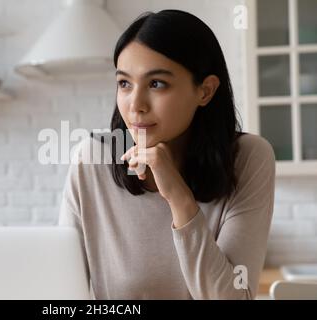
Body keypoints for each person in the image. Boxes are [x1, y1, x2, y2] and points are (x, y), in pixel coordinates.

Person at [58, 9, 275, 300]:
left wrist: (179, 198)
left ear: (206, 91)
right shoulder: (91, 160)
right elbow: (61, 294)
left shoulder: (249, 158)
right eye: (124, 83)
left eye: (156, 84)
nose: (136, 105)